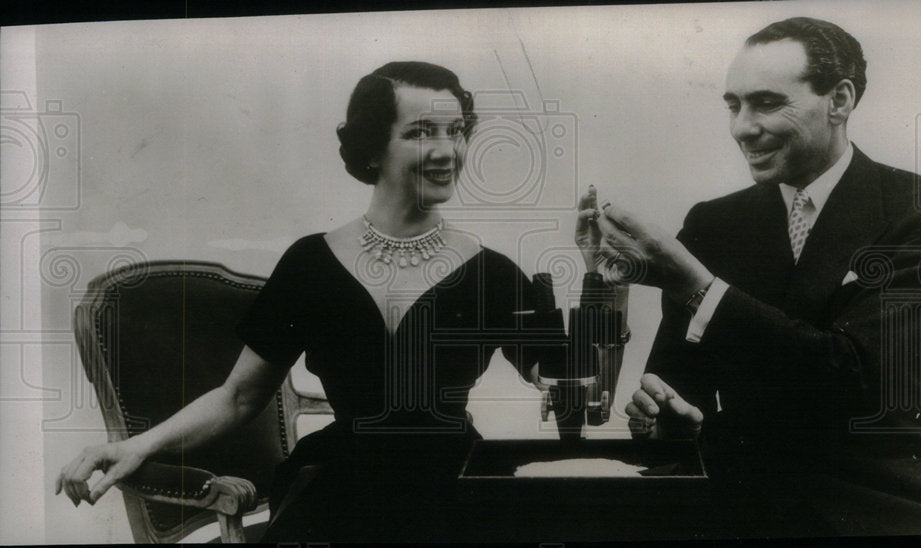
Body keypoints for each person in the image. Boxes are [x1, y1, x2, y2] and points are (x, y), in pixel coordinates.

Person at [56, 61, 556, 541]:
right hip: (339, 491)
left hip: (457, 488)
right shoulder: (311, 264)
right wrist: (132, 444)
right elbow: (239, 397)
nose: (448, 151)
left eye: (457, 130)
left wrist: (603, 275)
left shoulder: (491, 273)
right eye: (422, 131)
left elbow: (567, 382)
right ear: (372, 147)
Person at [577, 17, 921, 536]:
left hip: (874, 508)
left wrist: (696, 286)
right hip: (737, 503)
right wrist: (664, 412)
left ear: (840, 100)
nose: (742, 127)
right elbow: (674, 388)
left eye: (767, 103)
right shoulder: (714, 223)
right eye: (734, 104)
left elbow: (861, 381)